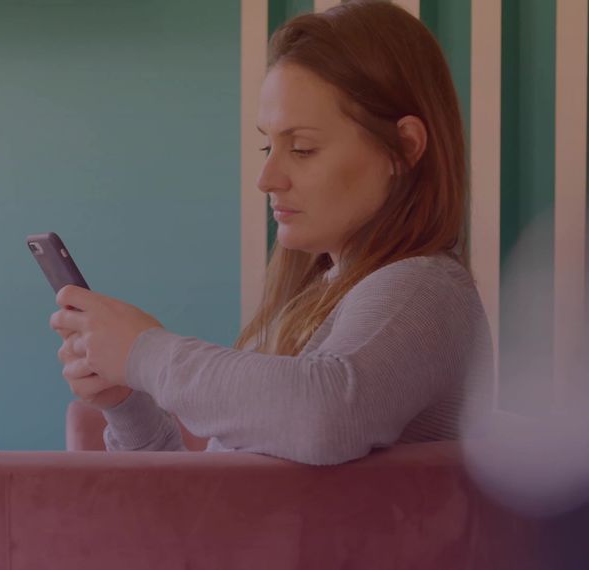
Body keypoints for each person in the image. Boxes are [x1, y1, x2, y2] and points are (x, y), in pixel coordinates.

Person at [49, 0, 492, 465]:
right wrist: (126, 400)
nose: (267, 178)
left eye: (302, 149)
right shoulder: (317, 302)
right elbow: (202, 502)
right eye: (268, 144)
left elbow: (325, 417)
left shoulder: (422, 289)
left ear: (403, 148)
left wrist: (145, 354)